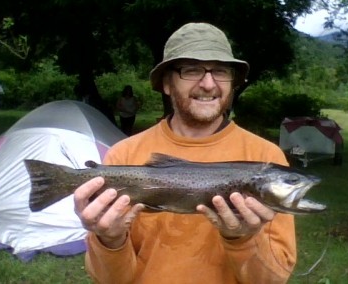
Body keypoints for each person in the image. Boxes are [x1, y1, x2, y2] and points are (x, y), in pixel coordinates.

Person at [74, 22, 296, 284]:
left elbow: (273, 280)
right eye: (191, 70)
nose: (208, 84)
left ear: (232, 82)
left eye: (221, 71)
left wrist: (244, 239)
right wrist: (109, 240)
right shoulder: (124, 155)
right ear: (167, 84)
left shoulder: (266, 160)